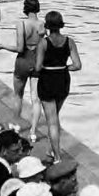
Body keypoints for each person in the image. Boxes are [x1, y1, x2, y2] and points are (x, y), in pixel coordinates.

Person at [35, 11, 82, 163]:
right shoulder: (69, 41)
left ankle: (57, 157)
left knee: (51, 121)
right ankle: (51, 149)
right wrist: (64, 68)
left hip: (47, 80)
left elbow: (37, 67)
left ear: (47, 26)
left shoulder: (43, 43)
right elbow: (77, 65)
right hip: (63, 80)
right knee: (55, 117)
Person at [0, 0, 45, 141]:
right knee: (36, 100)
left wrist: (3, 45)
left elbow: (19, 48)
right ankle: (33, 132)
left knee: (18, 95)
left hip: (23, 62)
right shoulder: (42, 25)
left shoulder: (21, 24)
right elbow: (44, 47)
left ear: (25, 9)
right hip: (37, 62)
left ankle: (15, 126)